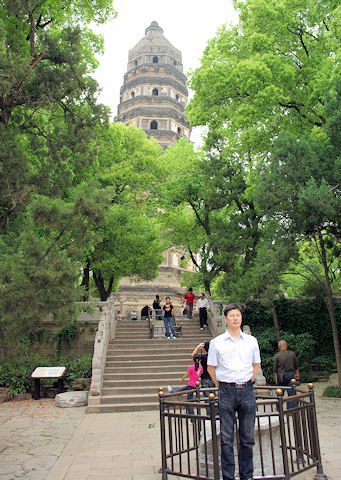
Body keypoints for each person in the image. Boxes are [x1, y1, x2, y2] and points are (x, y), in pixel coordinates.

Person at [207, 303, 261, 480]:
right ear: (225, 319)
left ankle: (247, 475)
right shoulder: (216, 343)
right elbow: (211, 368)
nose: (235, 318)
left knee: (247, 438)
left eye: (238, 315)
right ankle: (228, 476)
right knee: (226, 438)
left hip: (247, 390)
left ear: (241, 318)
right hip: (227, 391)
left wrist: (249, 380)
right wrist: (223, 385)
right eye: (232, 316)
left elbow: (255, 364)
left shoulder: (251, 341)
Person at [274, 340, 299, 408]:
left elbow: (275, 369)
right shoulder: (291, 354)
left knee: (280, 392)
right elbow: (296, 365)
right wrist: (297, 374)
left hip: (280, 376)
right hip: (290, 375)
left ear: (279, 347)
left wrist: (276, 379)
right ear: (285, 346)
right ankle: (291, 409)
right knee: (291, 393)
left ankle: (279, 408)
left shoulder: (277, 356)